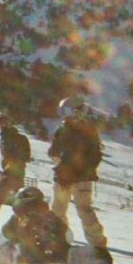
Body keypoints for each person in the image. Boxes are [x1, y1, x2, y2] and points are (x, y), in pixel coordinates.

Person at [47, 96, 107, 249]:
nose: (65, 115)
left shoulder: (87, 130)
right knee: (58, 210)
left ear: (78, 112)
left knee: (84, 210)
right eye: (64, 111)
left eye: (68, 111)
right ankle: (60, 238)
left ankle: (97, 242)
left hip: (79, 178)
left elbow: (94, 156)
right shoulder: (64, 129)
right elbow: (53, 151)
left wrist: (80, 171)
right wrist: (57, 158)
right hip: (64, 178)